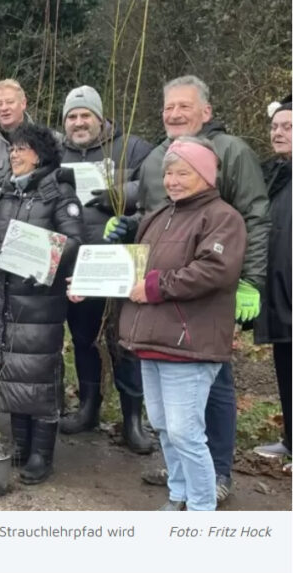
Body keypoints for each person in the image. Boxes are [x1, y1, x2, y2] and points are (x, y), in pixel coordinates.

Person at [107, 75, 270, 502]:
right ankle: (183, 484)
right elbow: (152, 218)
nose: (175, 114)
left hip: (197, 315)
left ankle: (215, 477)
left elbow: (253, 217)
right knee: (169, 421)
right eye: (168, 107)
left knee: (209, 396)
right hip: (156, 320)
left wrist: (250, 281)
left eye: (184, 106)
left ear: (206, 111)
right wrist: (125, 231)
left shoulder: (231, 153)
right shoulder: (157, 160)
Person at [117, 137, 247, 510]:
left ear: (205, 175)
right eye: (169, 173)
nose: (172, 181)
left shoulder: (222, 218)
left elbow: (214, 270)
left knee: (185, 432)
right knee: (163, 426)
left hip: (189, 343)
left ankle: (201, 508)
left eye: (182, 173)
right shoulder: (160, 215)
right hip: (151, 340)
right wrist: (90, 284)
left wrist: (155, 287)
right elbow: (135, 268)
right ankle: (178, 496)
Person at [0, 123, 83, 484]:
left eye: (21, 149)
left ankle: (42, 454)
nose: (14, 154)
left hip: (39, 301)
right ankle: (21, 445)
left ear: (39, 154)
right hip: (3, 298)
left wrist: (41, 261)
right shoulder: (5, 191)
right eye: (11, 149)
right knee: (11, 370)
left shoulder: (59, 191)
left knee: (39, 376)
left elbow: (74, 242)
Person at [59, 86, 155, 453]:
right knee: (84, 340)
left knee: (124, 342)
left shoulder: (132, 147)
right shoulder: (57, 152)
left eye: (86, 115)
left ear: (100, 118)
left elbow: (157, 183)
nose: (79, 122)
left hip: (119, 262)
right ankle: (88, 407)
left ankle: (132, 420)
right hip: (77, 264)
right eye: (72, 116)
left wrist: (119, 193)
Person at [253, 97, 291, 463]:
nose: (278, 133)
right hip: (278, 289)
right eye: (275, 126)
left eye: (288, 127)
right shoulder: (274, 174)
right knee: (285, 363)